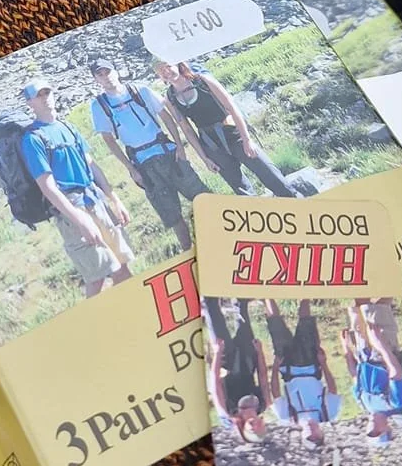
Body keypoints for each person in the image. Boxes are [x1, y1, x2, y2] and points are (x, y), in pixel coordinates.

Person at [19, 79, 135, 295]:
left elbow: (91, 164)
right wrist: (78, 218)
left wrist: (114, 199)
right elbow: (47, 186)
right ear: (30, 103)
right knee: (98, 276)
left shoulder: (68, 127)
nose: (46, 98)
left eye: (47, 92)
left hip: (94, 198)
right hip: (72, 207)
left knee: (122, 266)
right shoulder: (32, 139)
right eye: (39, 95)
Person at [88, 56, 208, 253]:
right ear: (96, 80)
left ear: (116, 72)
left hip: (169, 155)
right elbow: (108, 139)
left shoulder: (140, 90)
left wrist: (179, 146)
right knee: (172, 216)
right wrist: (131, 168)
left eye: (107, 71)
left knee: (202, 198)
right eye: (100, 74)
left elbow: (166, 116)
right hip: (143, 166)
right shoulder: (99, 106)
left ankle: (220, 237)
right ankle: (190, 253)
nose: (106, 77)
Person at [156, 57, 296, 197]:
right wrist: (204, 158)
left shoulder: (202, 81)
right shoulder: (171, 97)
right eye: (161, 70)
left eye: (168, 66)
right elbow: (187, 129)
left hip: (234, 134)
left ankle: (299, 205)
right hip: (211, 145)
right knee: (242, 190)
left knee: (270, 175)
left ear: (178, 63)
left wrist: (246, 139)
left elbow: (232, 107)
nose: (166, 71)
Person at [264, 300, 338, 444]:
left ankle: (267, 293)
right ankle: (304, 292)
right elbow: (333, 389)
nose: (312, 433)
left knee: (275, 324)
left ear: (302, 435)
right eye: (316, 436)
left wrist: (275, 367)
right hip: (311, 364)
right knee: (306, 320)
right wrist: (323, 362)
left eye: (309, 437)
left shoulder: (287, 416)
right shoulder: (329, 413)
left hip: (287, 367)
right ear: (321, 433)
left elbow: (276, 393)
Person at [342, 300, 402, 442]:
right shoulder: (396, 403)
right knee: (380, 303)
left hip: (362, 352)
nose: (373, 428)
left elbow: (354, 375)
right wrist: (379, 343)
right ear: (388, 428)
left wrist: (346, 349)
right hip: (382, 349)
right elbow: (395, 372)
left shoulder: (363, 404)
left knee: (356, 304)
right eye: (378, 432)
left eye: (370, 432)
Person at [206, 297, 270, 441]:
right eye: (260, 430)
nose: (255, 428)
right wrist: (259, 352)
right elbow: (263, 378)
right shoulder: (263, 403)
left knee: (214, 315)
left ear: (243, 429)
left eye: (252, 432)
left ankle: (208, 294)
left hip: (226, 362)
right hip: (247, 362)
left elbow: (215, 384)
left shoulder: (228, 410)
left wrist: (216, 353)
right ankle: (239, 300)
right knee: (244, 317)